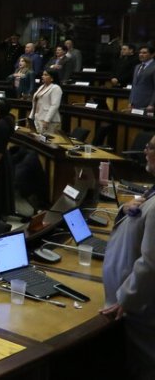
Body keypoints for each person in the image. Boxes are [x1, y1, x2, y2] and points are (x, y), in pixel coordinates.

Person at [100, 135, 155, 373]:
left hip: (141, 312)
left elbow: (151, 262)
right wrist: (125, 208)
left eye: (151, 147)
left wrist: (126, 298)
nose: (145, 151)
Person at [29, 69, 63, 135]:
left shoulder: (56, 88)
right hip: (37, 117)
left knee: (48, 143)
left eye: (45, 75)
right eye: (43, 74)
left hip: (49, 121)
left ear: (52, 78)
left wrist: (47, 120)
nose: (42, 76)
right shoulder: (41, 87)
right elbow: (35, 103)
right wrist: (30, 118)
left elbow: (54, 105)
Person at [129, 46, 154, 115]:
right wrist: (131, 101)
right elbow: (134, 85)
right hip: (135, 103)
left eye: (144, 53)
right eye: (140, 53)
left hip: (148, 105)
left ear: (152, 54)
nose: (141, 54)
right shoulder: (137, 67)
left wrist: (152, 104)